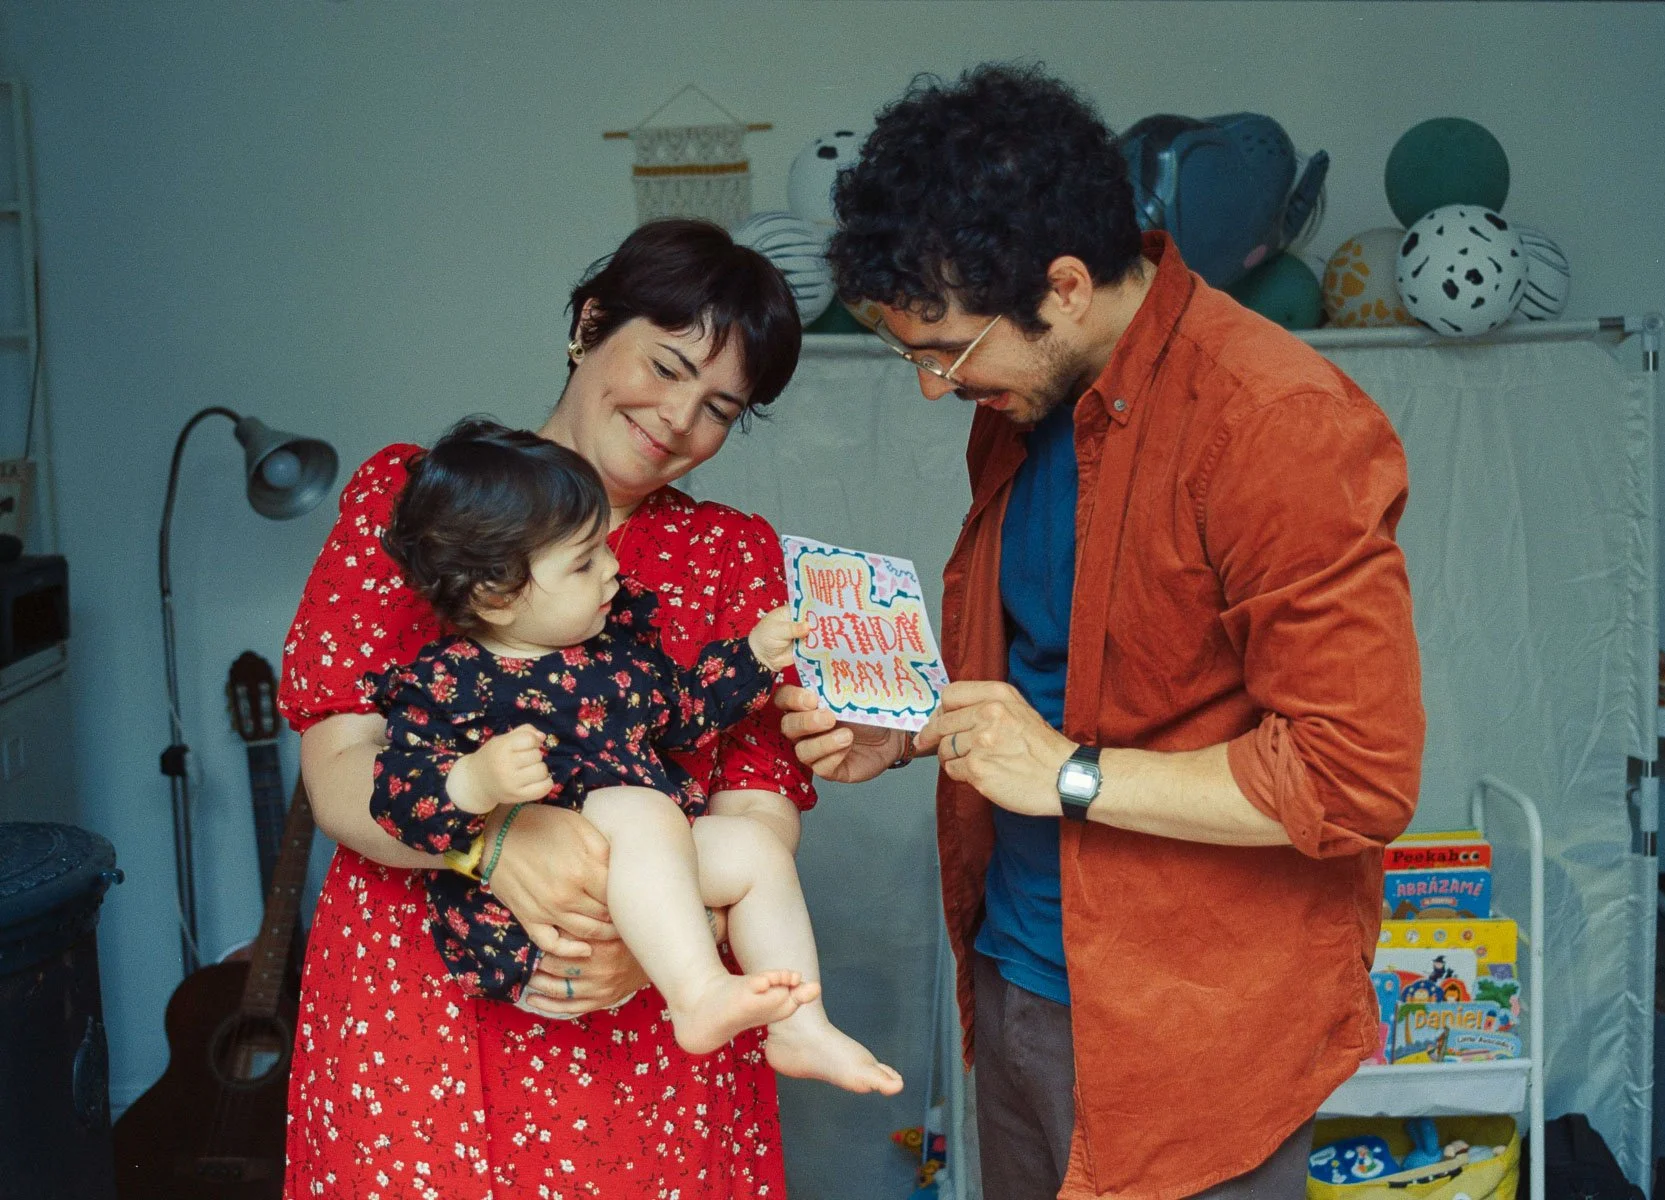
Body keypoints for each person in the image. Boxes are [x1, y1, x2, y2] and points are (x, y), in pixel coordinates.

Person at [778, 65, 1426, 1199]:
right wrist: (914, 727)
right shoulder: (1026, 403)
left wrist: (1070, 779)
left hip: (1189, 1028)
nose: (934, 389)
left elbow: (1352, 775)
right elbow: (1066, 671)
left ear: (1067, 285)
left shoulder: (1276, 421)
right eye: (913, 356)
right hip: (1018, 976)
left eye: (948, 352)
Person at [279, 219, 837, 1197]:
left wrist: (648, 938)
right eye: (664, 366)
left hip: (650, 1023)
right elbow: (339, 764)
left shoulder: (732, 554)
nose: (677, 420)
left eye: (719, 407)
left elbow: (755, 800)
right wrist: (492, 845)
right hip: (421, 1005)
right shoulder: (422, 501)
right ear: (590, 323)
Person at [369, 417, 903, 1092]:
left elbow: (683, 717)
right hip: (526, 912)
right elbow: (395, 797)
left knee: (749, 848)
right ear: (495, 595)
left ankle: (800, 1027)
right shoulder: (448, 683)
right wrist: (473, 781)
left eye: (605, 549)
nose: (613, 570)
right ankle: (698, 993)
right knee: (640, 808)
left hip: (639, 876)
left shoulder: (617, 653)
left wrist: (756, 657)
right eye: (584, 560)